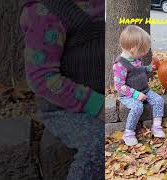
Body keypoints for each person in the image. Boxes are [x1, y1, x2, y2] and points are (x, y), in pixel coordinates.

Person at [20, 0, 105, 179]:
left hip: (107, 95)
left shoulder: (105, 5)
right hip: (64, 109)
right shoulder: (44, 14)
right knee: (99, 143)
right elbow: (42, 78)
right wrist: (97, 105)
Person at [113, 25, 165, 146]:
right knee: (137, 107)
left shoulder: (135, 59)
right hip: (128, 95)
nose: (144, 54)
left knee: (158, 100)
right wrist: (136, 95)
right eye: (142, 51)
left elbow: (138, 70)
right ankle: (129, 132)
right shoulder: (120, 65)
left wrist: (147, 68)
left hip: (144, 90)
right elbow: (119, 86)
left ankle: (156, 126)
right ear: (133, 49)